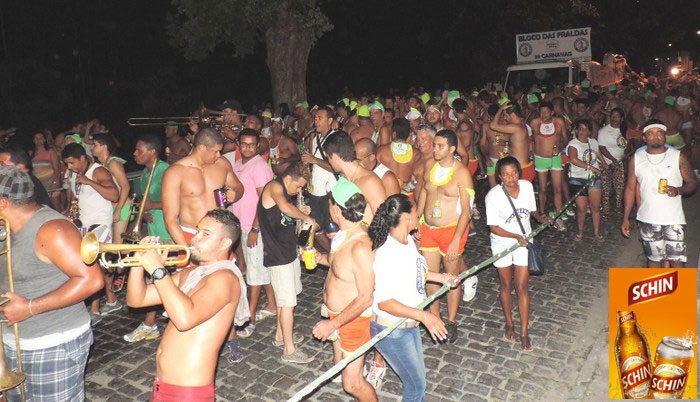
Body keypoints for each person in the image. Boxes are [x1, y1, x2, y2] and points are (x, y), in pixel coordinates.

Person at [0, 166, 104, 401]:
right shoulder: (5, 230)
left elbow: (92, 279)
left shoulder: (52, 229)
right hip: (12, 344)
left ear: (2, 203)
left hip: (53, 346)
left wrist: (29, 308)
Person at [126, 209, 248, 402]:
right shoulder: (191, 273)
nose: (195, 238)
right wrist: (139, 261)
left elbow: (185, 319)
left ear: (224, 243)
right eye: (197, 230)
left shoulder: (225, 278)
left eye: (205, 234)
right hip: (161, 386)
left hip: (189, 392)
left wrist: (158, 270)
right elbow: (136, 299)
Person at [367, 194, 458, 401]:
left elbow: (417, 273)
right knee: (416, 386)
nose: (420, 213)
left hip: (409, 325)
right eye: (416, 209)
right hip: (391, 330)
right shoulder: (388, 253)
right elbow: (385, 302)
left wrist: (442, 278)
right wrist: (425, 316)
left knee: (418, 382)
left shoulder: (406, 241)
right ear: (407, 217)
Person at [311, 179, 376, 401]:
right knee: (348, 379)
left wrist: (332, 324)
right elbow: (339, 266)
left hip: (353, 321)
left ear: (336, 209)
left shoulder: (361, 247)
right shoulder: (342, 234)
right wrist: (318, 258)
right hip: (338, 315)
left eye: (329, 203)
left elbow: (366, 297)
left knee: (353, 383)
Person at [485, 157, 549, 351]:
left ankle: (524, 332)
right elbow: (493, 227)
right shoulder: (493, 196)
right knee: (506, 284)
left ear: (519, 173)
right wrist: (514, 236)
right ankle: (509, 322)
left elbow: (532, 211)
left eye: (513, 173)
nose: (510, 178)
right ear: (499, 176)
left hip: (524, 242)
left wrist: (541, 218)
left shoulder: (527, 187)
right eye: (505, 174)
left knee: (522, 286)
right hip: (502, 242)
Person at [417, 129, 473, 342]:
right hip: (429, 229)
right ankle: (435, 317)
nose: (435, 149)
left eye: (440, 146)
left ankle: (451, 320)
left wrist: (457, 239)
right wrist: (417, 221)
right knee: (431, 275)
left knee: (451, 277)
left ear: (451, 149)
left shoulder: (461, 173)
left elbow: (466, 211)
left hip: (451, 230)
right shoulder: (429, 166)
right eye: (434, 145)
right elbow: (424, 192)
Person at [258, 162, 317, 363]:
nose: (299, 190)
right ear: (289, 178)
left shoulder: (285, 192)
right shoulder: (274, 186)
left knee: (287, 299)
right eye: (299, 186)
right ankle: (289, 351)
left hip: (288, 251)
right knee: (288, 303)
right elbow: (284, 207)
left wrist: (301, 210)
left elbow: (286, 211)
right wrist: (306, 218)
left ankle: (280, 336)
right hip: (278, 255)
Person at [622, 120, 697, 268]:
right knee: (654, 260)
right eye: (651, 134)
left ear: (665, 136)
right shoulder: (636, 159)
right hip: (648, 219)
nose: (655, 137)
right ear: (644, 137)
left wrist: (678, 190)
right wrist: (625, 217)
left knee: (677, 262)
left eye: (659, 133)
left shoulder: (678, 156)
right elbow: (630, 189)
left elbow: (693, 183)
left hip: (673, 219)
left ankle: (679, 291)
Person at [61, 143, 119, 325]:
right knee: (101, 265)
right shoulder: (74, 174)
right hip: (85, 223)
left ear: (82, 158)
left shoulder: (98, 171)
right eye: (67, 164)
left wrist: (90, 182)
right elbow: (74, 199)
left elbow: (114, 195)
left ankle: (94, 309)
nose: (69, 167)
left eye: (72, 163)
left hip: (100, 223)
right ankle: (112, 300)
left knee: (92, 265)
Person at [122, 134, 171, 343]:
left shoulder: (166, 171)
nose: (134, 153)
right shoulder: (144, 174)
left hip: (168, 230)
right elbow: (145, 201)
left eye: (139, 150)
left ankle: (152, 324)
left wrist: (155, 206)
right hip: (153, 228)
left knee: (160, 277)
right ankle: (152, 324)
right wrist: (144, 212)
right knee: (156, 277)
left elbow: (175, 200)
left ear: (152, 152)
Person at [162, 128, 243, 247]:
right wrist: (187, 250)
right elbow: (170, 220)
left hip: (219, 234)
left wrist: (235, 196)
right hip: (191, 235)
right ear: (201, 148)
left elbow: (239, 188)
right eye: (215, 151)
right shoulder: (175, 172)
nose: (219, 155)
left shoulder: (222, 163)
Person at [231, 129, 277, 339]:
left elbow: (265, 200)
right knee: (257, 267)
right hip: (241, 224)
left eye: (252, 144)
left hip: (254, 226)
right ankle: (273, 305)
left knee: (255, 274)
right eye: (244, 144)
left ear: (258, 145)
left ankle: (250, 317)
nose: (248, 147)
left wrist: (256, 229)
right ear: (239, 144)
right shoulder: (238, 164)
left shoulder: (259, 166)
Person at [323, 131, 387, 220]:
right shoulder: (344, 179)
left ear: (334, 157)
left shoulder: (370, 182)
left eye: (328, 158)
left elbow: (382, 220)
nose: (329, 161)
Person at [301, 106, 338, 249]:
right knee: (316, 228)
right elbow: (314, 162)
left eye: (319, 118)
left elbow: (336, 167)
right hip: (315, 191)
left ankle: (337, 255)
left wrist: (314, 160)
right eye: (315, 118)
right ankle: (331, 254)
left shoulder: (334, 139)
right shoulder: (316, 138)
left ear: (329, 121)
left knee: (333, 228)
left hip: (329, 192)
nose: (315, 121)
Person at [529, 101, 567, 226]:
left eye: (546, 112)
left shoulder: (559, 122)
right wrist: (530, 154)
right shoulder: (535, 123)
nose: (543, 114)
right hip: (540, 159)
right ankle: (542, 212)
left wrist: (560, 147)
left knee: (557, 188)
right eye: (541, 111)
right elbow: (529, 139)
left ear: (552, 112)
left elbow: (565, 139)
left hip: (555, 158)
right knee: (542, 188)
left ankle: (558, 215)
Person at [567, 119, 605, 241]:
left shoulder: (593, 142)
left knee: (595, 206)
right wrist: (590, 167)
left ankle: (597, 232)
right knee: (582, 208)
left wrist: (603, 162)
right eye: (580, 129)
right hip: (578, 179)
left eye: (585, 129)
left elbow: (597, 152)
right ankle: (580, 231)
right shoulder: (573, 144)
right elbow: (573, 159)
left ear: (589, 131)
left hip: (594, 178)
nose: (583, 132)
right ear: (576, 131)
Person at [91, 133, 131, 245]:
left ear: (104, 147)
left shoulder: (113, 163)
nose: (91, 147)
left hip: (121, 205)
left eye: (95, 145)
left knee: (117, 245)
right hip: (110, 206)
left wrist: (118, 209)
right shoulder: (102, 165)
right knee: (111, 243)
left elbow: (125, 186)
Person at [597, 108, 628, 217]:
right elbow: (602, 148)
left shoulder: (624, 130)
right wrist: (613, 160)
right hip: (606, 163)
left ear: (622, 118)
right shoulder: (604, 131)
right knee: (606, 187)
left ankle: (618, 208)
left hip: (619, 163)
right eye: (612, 116)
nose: (614, 118)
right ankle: (605, 210)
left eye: (617, 116)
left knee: (619, 186)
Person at [29, 130, 62, 210]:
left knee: (56, 207)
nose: (38, 140)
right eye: (36, 138)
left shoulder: (50, 151)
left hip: (51, 183)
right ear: (33, 140)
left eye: (40, 138)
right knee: (41, 208)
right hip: (38, 184)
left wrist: (55, 182)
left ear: (44, 139)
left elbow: (56, 168)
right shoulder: (31, 153)